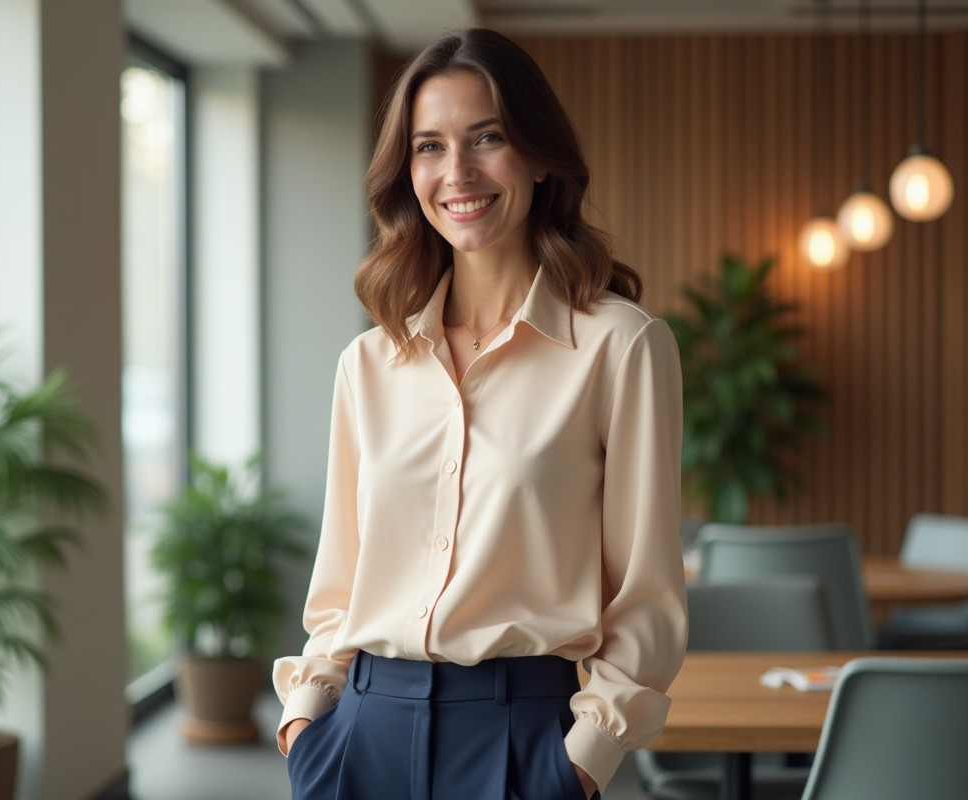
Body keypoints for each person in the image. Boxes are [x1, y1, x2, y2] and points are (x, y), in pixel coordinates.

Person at [272, 28, 687, 800]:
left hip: (521, 739)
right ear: (408, 171)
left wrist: (580, 763)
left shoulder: (621, 347)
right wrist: (305, 728)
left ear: (536, 154)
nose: (456, 172)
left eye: (486, 138)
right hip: (358, 736)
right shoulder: (368, 365)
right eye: (428, 147)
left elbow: (648, 596)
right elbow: (339, 584)